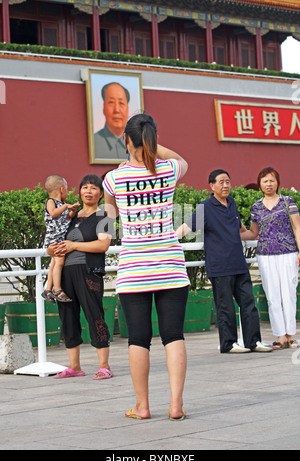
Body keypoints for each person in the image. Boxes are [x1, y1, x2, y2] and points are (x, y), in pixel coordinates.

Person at [103, 113, 190, 421]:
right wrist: (152, 145)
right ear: (152, 139)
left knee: (139, 337)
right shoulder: (168, 169)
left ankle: (142, 406)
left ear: (126, 139)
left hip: (134, 269)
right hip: (170, 266)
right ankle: (176, 405)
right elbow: (182, 160)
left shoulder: (114, 178)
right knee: (173, 335)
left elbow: (109, 218)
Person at [176, 169, 272, 354]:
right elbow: (186, 228)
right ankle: (228, 343)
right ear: (211, 186)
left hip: (239, 263)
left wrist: (255, 232)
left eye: (228, 181)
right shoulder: (205, 207)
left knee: (248, 303)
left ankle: (253, 341)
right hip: (220, 266)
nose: (226, 185)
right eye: (221, 182)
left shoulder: (232, 204)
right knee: (225, 306)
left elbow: (242, 230)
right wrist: (167, 241)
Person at [47, 174, 114, 379]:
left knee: (95, 315)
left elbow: (103, 245)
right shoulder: (70, 217)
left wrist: (74, 245)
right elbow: (55, 240)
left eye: (93, 188)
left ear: (101, 193)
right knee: (67, 316)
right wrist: (52, 250)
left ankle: (104, 366)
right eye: (84, 187)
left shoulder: (106, 216)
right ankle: (74, 366)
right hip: (65, 272)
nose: (88, 191)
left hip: (89, 272)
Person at [241, 167, 300, 349]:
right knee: (272, 295)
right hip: (265, 255)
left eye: (272, 180)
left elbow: (297, 227)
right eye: (265, 180)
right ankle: (280, 336)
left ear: (277, 183)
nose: (269, 184)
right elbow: (253, 233)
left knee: (288, 293)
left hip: (288, 252)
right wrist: (229, 232)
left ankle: (291, 334)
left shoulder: (287, 201)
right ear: (259, 184)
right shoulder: (256, 206)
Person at [42, 175, 79, 303]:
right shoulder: (51, 202)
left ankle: (48, 289)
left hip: (59, 238)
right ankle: (57, 289)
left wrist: (72, 212)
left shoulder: (61, 205)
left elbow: (65, 220)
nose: (67, 192)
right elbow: (53, 213)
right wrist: (65, 207)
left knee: (53, 264)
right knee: (59, 263)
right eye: (67, 189)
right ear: (62, 189)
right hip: (54, 239)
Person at [94, 82, 129, 161]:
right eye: (111, 102)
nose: (116, 110)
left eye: (121, 103)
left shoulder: (136, 145)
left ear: (128, 109)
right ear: (103, 108)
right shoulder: (94, 142)